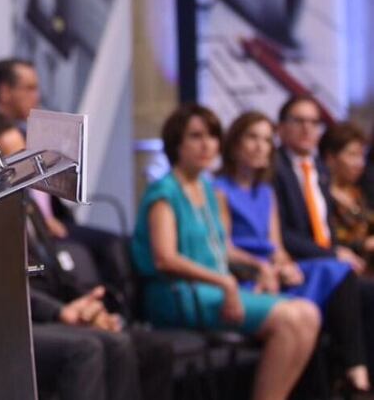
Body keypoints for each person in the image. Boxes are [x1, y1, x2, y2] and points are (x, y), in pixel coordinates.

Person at [132, 104, 321, 400]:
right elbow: (165, 258)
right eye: (196, 136)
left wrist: (260, 267)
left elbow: (224, 249)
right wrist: (226, 282)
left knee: (308, 313)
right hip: (178, 294)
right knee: (288, 319)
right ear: (176, 143)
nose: (207, 144)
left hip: (214, 288)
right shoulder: (164, 192)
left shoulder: (206, 189)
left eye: (213, 136)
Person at [214, 111, 368, 391]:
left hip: (274, 270)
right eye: (252, 137)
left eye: (265, 139)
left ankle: (352, 370)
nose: (261, 146)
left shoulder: (266, 191)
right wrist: (264, 267)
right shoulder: (219, 189)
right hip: (246, 274)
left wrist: (285, 264)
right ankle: (352, 372)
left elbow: (277, 247)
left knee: (340, 273)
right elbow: (223, 247)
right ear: (235, 144)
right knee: (332, 278)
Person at [273, 96, 366, 271]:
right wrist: (332, 255)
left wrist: (338, 252)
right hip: (298, 263)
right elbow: (282, 233)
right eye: (298, 121)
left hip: (330, 259)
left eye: (314, 122)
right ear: (281, 128)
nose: (307, 128)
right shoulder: (274, 168)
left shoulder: (320, 170)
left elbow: (326, 226)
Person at [324, 122, 374, 269]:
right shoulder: (322, 194)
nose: (360, 163)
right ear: (331, 158)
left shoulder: (357, 193)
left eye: (361, 156)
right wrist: (365, 244)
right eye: (352, 155)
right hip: (343, 266)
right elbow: (329, 239)